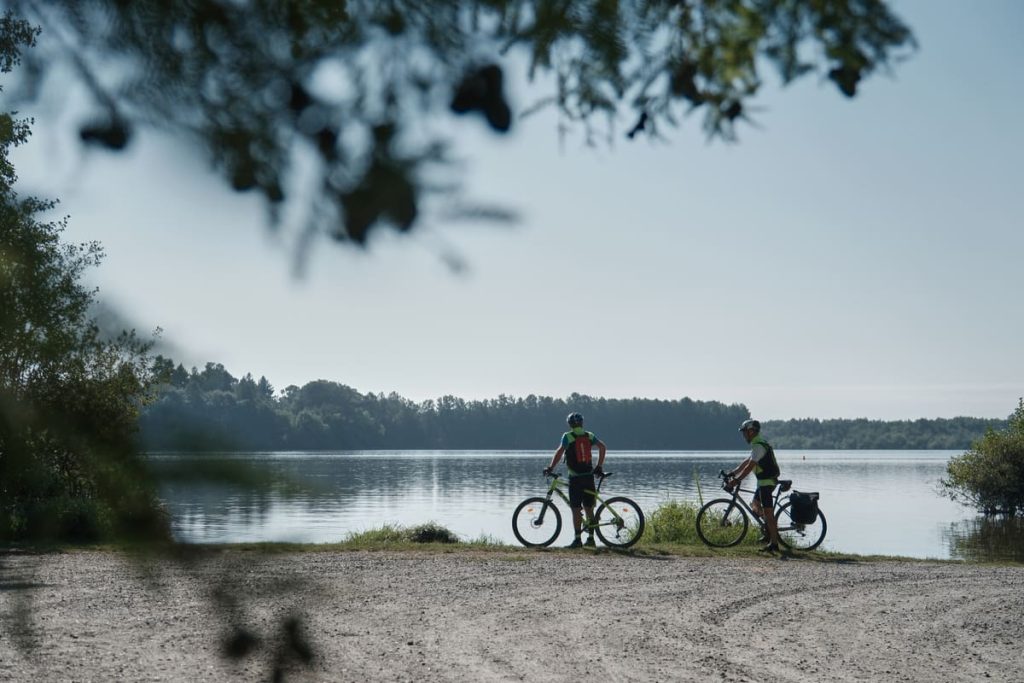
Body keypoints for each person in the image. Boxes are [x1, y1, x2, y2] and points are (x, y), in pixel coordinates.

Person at [544, 412, 607, 548]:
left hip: (575, 478)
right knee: (589, 508)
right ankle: (591, 539)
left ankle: (577, 540)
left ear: (570, 424)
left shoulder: (568, 436)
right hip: (589, 476)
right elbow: (602, 447)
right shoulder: (589, 435)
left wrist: (550, 467)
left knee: (576, 509)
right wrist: (599, 466)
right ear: (582, 423)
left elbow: (560, 452)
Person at [725, 419, 782, 552]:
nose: (743, 435)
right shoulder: (757, 443)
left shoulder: (759, 446)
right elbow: (746, 462)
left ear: (751, 431)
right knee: (755, 504)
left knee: (768, 513)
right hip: (763, 481)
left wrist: (735, 481)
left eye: (745, 432)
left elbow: (749, 468)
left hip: (767, 482)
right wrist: (733, 473)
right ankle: (768, 530)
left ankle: (774, 544)